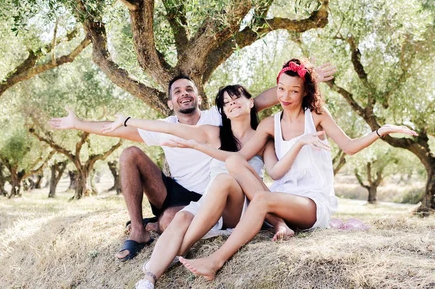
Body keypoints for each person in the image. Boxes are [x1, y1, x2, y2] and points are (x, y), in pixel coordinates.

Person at [163, 59, 417, 280]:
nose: (285, 96)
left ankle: (215, 261)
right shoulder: (271, 123)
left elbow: (349, 147)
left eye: (293, 91)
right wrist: (194, 145)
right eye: (281, 89)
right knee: (234, 165)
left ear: (305, 92)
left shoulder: (315, 116)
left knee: (261, 200)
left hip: (312, 201)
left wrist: (381, 131)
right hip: (280, 196)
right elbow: (237, 158)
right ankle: (278, 223)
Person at [48, 66, 335, 262]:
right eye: (177, 92)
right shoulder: (165, 125)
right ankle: (138, 229)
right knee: (130, 153)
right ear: (171, 102)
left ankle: (158, 228)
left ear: (197, 96)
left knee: (172, 221)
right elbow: (121, 129)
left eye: (189, 89)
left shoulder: (218, 114)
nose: (184, 93)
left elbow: (263, 98)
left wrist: (310, 79)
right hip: (173, 190)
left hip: (212, 195)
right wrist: (78, 124)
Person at [102, 85, 293, 289]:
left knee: (224, 179)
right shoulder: (214, 134)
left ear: (251, 102)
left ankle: (178, 251)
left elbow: (275, 172)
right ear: (224, 111)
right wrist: (127, 121)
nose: (232, 104)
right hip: (211, 202)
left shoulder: (263, 139)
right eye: (226, 103)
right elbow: (168, 128)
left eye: (236, 98)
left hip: (239, 208)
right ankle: (149, 278)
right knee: (182, 216)